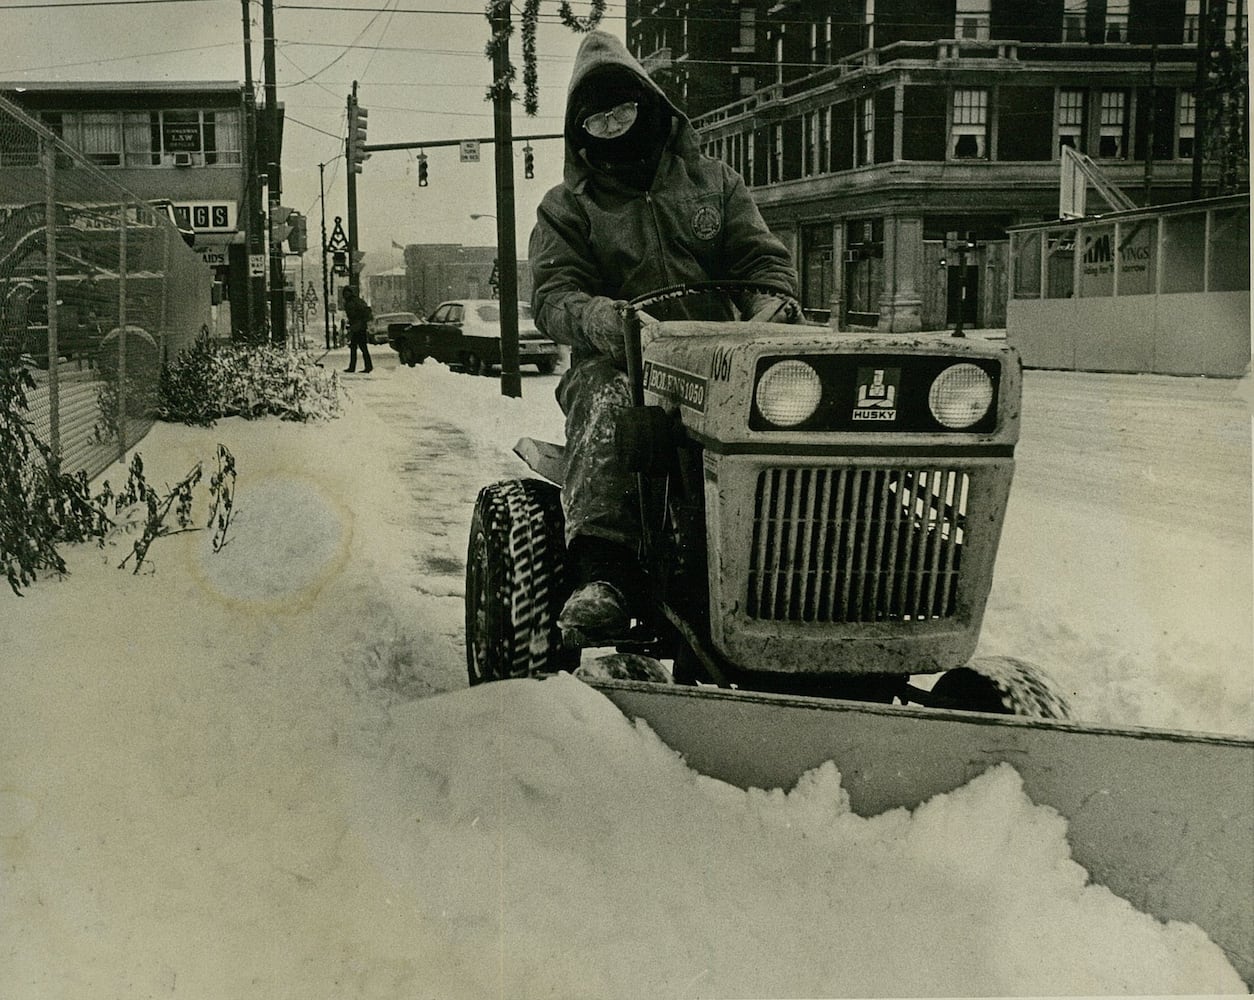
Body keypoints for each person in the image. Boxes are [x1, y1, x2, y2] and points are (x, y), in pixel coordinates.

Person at [529, 29, 801, 640]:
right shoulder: (567, 208)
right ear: (580, 132)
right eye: (598, 122)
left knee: (802, 396)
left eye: (623, 112)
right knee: (607, 396)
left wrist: (770, 303)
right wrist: (598, 317)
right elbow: (553, 294)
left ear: (650, 107)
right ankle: (604, 573)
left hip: (723, 358)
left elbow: (764, 262)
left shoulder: (717, 185)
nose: (614, 128)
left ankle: (838, 545)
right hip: (624, 360)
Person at [341, 285, 373, 373]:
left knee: (359, 348)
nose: (346, 295)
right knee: (357, 347)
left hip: (359, 328)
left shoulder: (354, 302)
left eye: (347, 293)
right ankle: (363, 366)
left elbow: (360, 314)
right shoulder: (353, 302)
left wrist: (357, 323)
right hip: (357, 327)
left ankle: (361, 367)